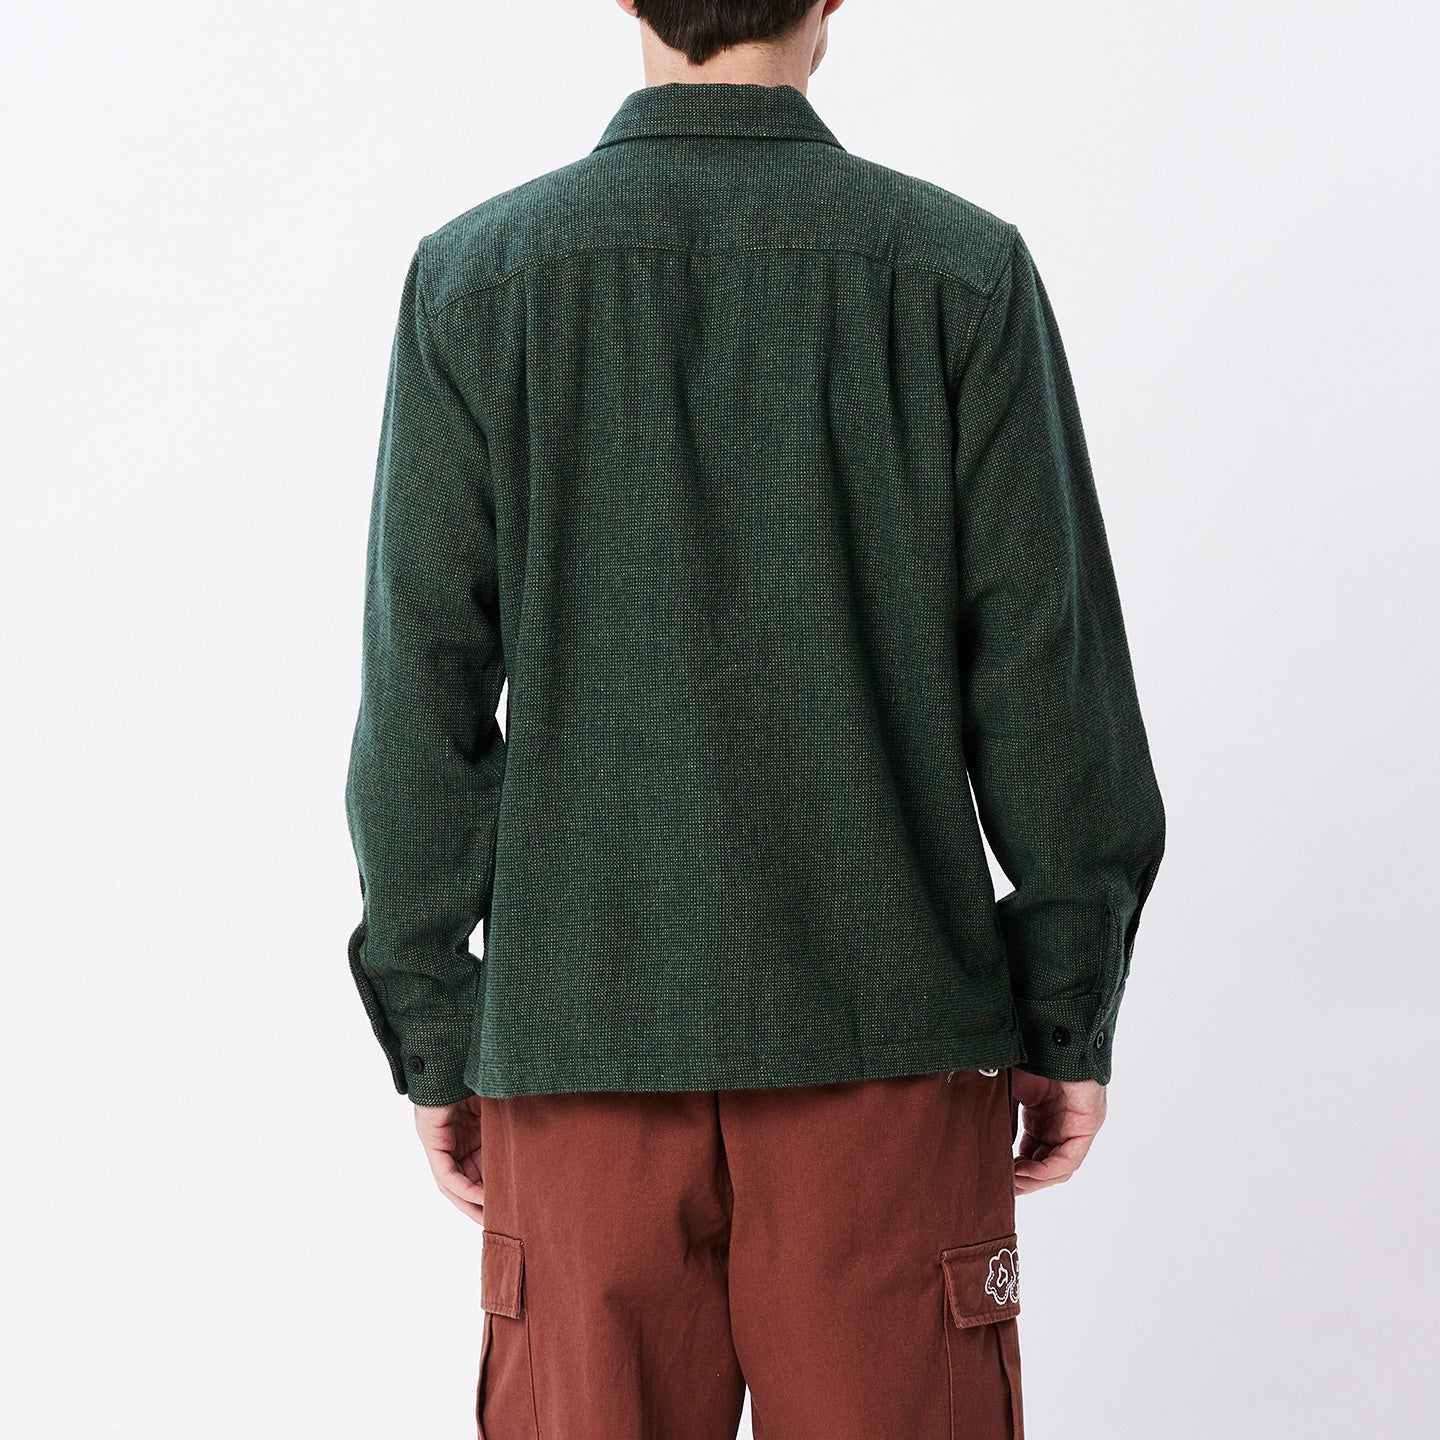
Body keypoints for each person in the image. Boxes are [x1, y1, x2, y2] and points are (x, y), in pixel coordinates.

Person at [343, 2, 1166, 1435]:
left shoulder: (477, 283)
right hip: (889, 1043)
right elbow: (1050, 682)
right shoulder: (958, 274)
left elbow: (422, 700)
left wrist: (436, 1025)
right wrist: (1065, 1010)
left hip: (578, 1046)